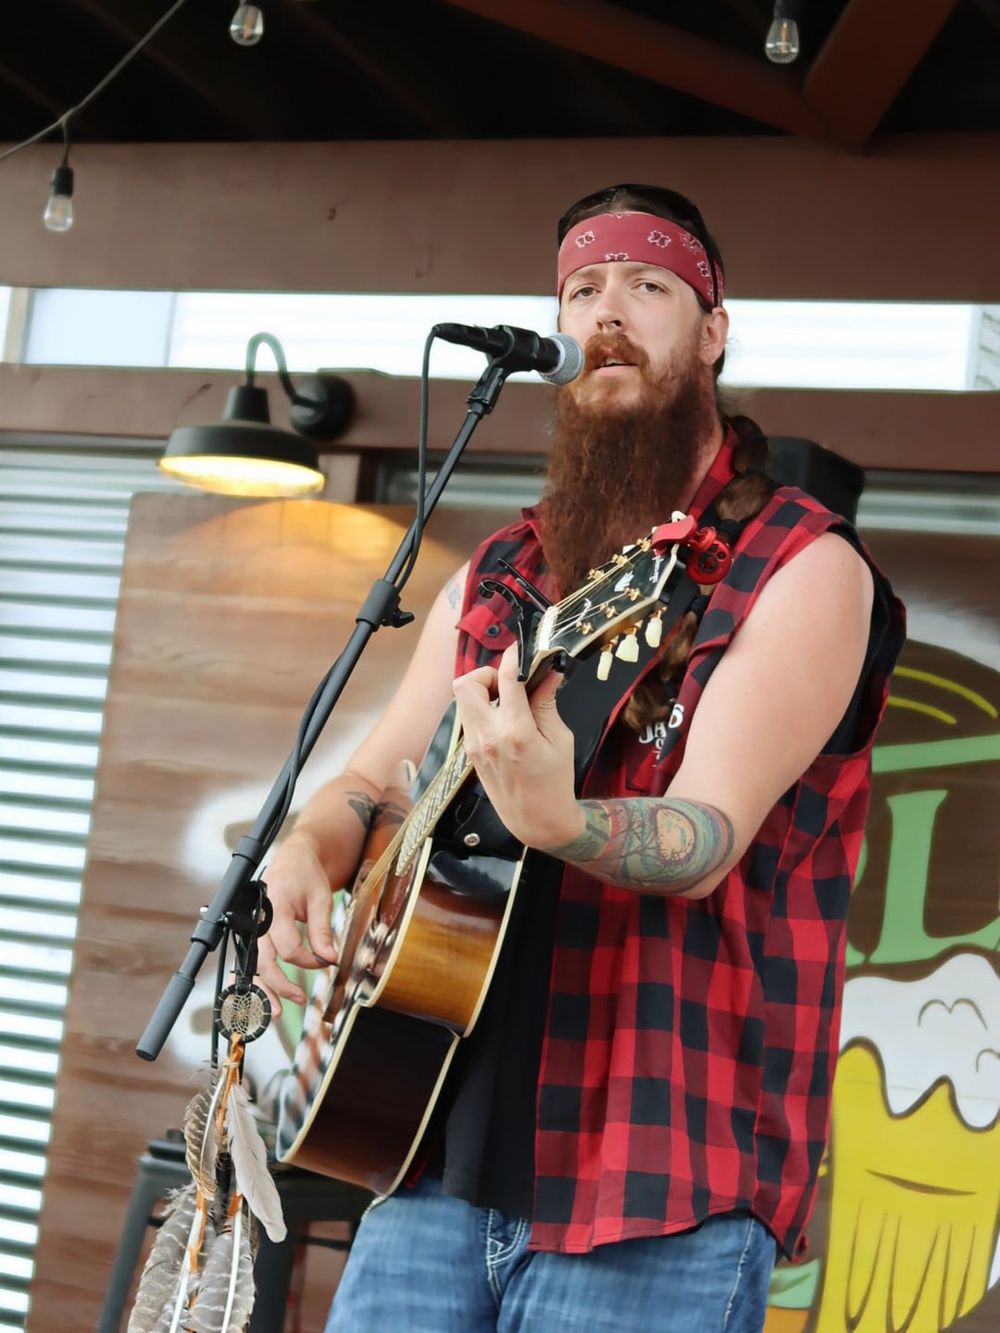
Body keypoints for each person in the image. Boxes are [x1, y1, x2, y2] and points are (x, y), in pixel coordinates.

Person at [256, 184, 905, 1332]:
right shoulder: (504, 566)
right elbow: (377, 777)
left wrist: (563, 821)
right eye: (581, 289)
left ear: (711, 331)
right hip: (426, 1151)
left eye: (649, 286)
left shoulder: (799, 566)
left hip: (661, 1176)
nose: (607, 312)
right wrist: (315, 841)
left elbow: (704, 837)